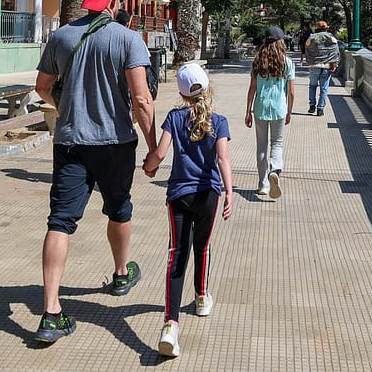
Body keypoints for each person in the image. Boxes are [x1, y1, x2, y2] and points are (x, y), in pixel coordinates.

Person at [32, 0, 156, 344]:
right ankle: (121, 274)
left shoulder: (61, 36)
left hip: (70, 142)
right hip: (115, 143)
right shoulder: (128, 39)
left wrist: (68, 108)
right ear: (116, 2)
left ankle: (51, 312)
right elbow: (142, 100)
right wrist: (154, 149)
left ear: (87, 1)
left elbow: (42, 87)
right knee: (119, 208)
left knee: (60, 221)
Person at [142, 62, 233, 358]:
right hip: (209, 194)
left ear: (182, 93)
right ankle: (202, 296)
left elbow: (161, 153)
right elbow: (222, 159)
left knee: (176, 254)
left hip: (179, 195)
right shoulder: (218, 121)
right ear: (207, 87)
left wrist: (149, 167)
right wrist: (229, 191)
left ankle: (170, 325)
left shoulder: (174, 117)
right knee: (202, 248)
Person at [245, 26, 294, 199]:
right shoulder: (287, 62)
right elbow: (291, 92)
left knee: (261, 146)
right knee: (277, 143)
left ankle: (263, 185)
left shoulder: (258, 61)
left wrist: (248, 111)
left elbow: (252, 87)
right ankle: (275, 170)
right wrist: (290, 111)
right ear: (281, 42)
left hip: (260, 107)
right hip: (279, 108)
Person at [305, 21, 340, 118]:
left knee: (312, 86)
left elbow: (306, 48)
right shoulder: (331, 38)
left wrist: (310, 60)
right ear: (326, 28)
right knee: (324, 89)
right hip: (326, 66)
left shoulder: (312, 37)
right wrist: (334, 65)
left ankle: (312, 105)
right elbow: (335, 52)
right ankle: (320, 109)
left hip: (314, 66)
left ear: (317, 28)